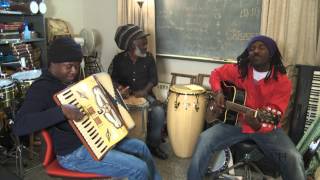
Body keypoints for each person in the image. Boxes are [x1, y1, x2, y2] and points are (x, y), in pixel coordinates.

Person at [13, 37, 162, 180]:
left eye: (77, 66)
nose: (73, 71)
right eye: (69, 66)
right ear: (53, 63)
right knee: (138, 168)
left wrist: (114, 98)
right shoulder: (41, 88)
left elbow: (93, 105)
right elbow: (19, 125)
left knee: (141, 148)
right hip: (73, 154)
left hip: (96, 140)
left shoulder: (68, 81)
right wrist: (62, 111)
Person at [187, 35, 305, 180]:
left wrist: (257, 125)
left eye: (261, 47)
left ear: (271, 53)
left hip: (266, 128)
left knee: (293, 157)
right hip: (236, 124)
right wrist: (218, 91)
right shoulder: (240, 70)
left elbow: (275, 114)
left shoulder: (281, 81)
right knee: (204, 139)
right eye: (252, 48)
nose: (255, 51)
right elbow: (216, 74)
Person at [109, 24, 168, 160]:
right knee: (112, 112)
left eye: (146, 43)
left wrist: (144, 91)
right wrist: (119, 88)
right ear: (131, 45)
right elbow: (111, 79)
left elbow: (154, 80)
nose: (146, 46)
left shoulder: (149, 58)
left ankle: (153, 145)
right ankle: (123, 146)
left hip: (146, 95)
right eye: (143, 44)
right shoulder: (118, 60)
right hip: (124, 97)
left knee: (159, 112)